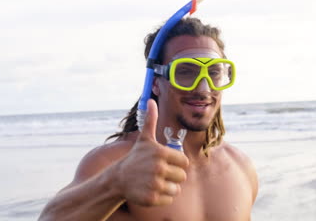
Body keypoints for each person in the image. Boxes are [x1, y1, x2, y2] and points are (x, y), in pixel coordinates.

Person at [38, 17, 258, 221]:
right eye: (185, 72)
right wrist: (116, 183)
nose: (203, 87)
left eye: (214, 72)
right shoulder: (114, 162)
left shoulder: (240, 166)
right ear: (155, 82)